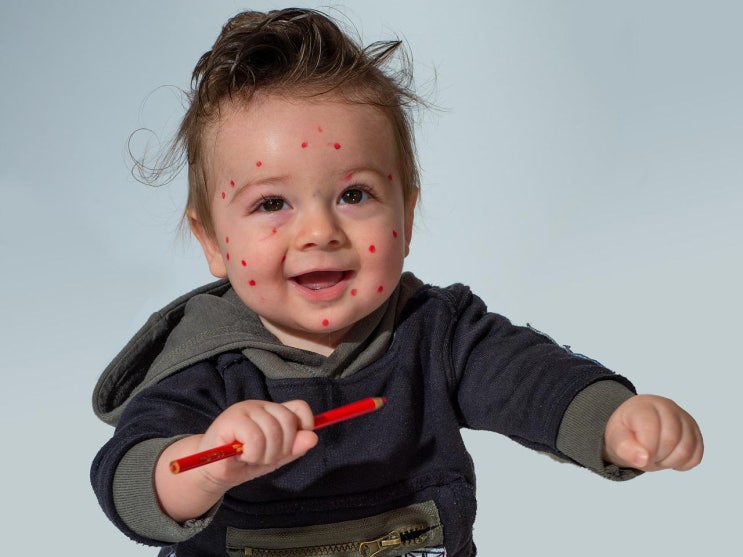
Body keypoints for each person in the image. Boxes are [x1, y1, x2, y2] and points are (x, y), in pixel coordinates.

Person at [90, 8, 703, 557]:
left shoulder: (438, 333)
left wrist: (614, 417)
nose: (318, 232)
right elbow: (127, 477)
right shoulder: (203, 363)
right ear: (212, 243)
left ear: (406, 217)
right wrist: (204, 465)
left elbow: (530, 378)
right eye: (272, 203)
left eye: (354, 195)